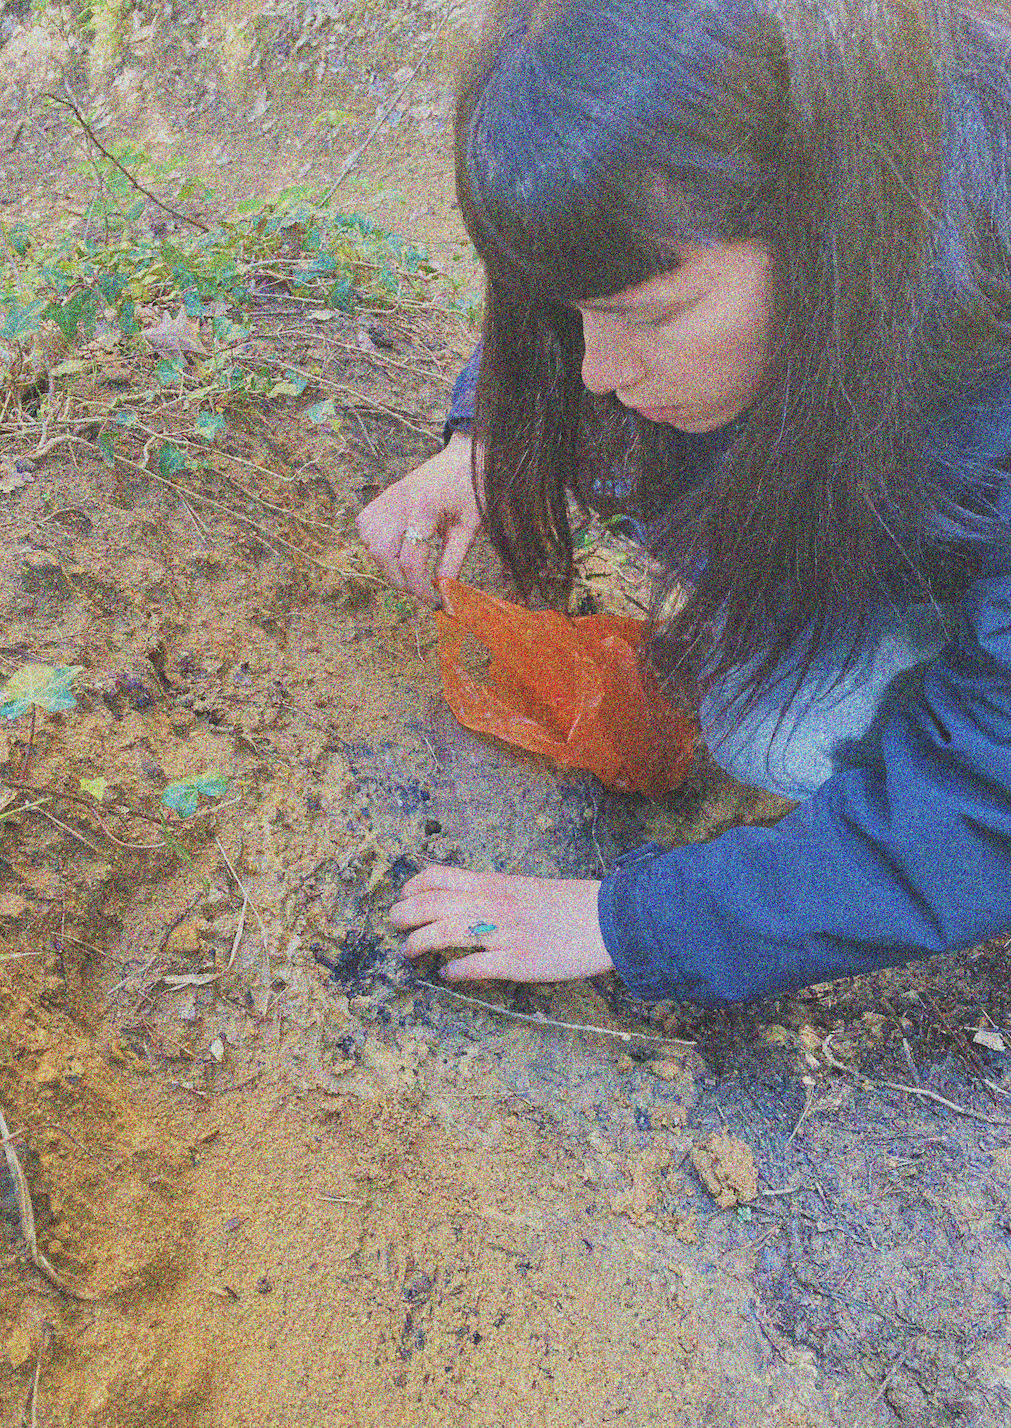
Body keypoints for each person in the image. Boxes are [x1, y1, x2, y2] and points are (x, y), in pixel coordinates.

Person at [356, 0, 1011, 1006]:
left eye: (647, 318)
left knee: (771, 729)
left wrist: (628, 920)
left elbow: (979, 797)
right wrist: (480, 438)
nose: (595, 371)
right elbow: (602, 249)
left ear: (824, 222)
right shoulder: (817, 149)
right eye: (576, 317)